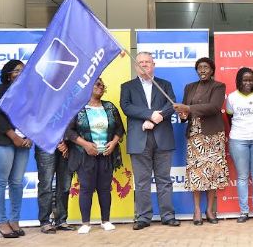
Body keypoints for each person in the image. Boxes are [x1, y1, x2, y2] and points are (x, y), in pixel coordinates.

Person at [120, 52, 179, 230]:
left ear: (153, 64)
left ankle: (167, 216)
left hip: (163, 138)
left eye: (147, 62)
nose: (144, 65)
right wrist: (149, 115)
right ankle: (143, 217)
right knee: (142, 181)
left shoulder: (164, 85)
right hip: (139, 139)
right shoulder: (128, 86)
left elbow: (172, 104)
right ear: (135, 66)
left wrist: (155, 119)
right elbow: (126, 106)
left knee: (164, 179)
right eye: (141, 62)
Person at [66, 78, 125, 234]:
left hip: (106, 155)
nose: (100, 87)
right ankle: (85, 223)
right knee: (86, 188)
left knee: (105, 188)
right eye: (97, 84)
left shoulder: (110, 107)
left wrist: (113, 143)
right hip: (84, 156)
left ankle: (105, 221)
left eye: (102, 85)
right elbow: (69, 131)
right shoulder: (77, 108)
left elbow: (120, 129)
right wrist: (85, 145)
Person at [174, 57, 228, 226]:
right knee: (196, 174)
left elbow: (214, 107)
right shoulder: (189, 87)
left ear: (212, 70)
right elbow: (185, 113)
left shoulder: (218, 86)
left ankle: (210, 210)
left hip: (212, 135)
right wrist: (183, 115)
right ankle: (197, 210)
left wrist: (188, 109)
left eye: (206, 67)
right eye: (199, 68)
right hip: (195, 135)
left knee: (212, 172)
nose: (202, 70)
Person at [0, 59, 31, 238]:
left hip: (23, 143)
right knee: (0, 181)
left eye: (24, 70)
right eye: (17, 70)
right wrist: (15, 137)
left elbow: (34, 117)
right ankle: (1, 222)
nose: (21, 73)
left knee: (17, 183)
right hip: (0, 141)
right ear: (9, 74)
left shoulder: (29, 93)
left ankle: (14, 221)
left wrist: (29, 136)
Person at [226, 67, 253, 223]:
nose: (248, 83)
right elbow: (230, 118)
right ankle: (244, 212)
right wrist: (242, 130)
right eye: (245, 80)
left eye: (250, 80)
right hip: (238, 139)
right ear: (239, 81)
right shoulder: (231, 97)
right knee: (242, 177)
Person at [35, 137, 73, 234]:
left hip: (67, 145)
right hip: (45, 144)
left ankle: (61, 220)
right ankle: (45, 222)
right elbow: (36, 124)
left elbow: (70, 123)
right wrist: (56, 142)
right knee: (46, 184)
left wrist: (64, 142)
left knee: (65, 185)